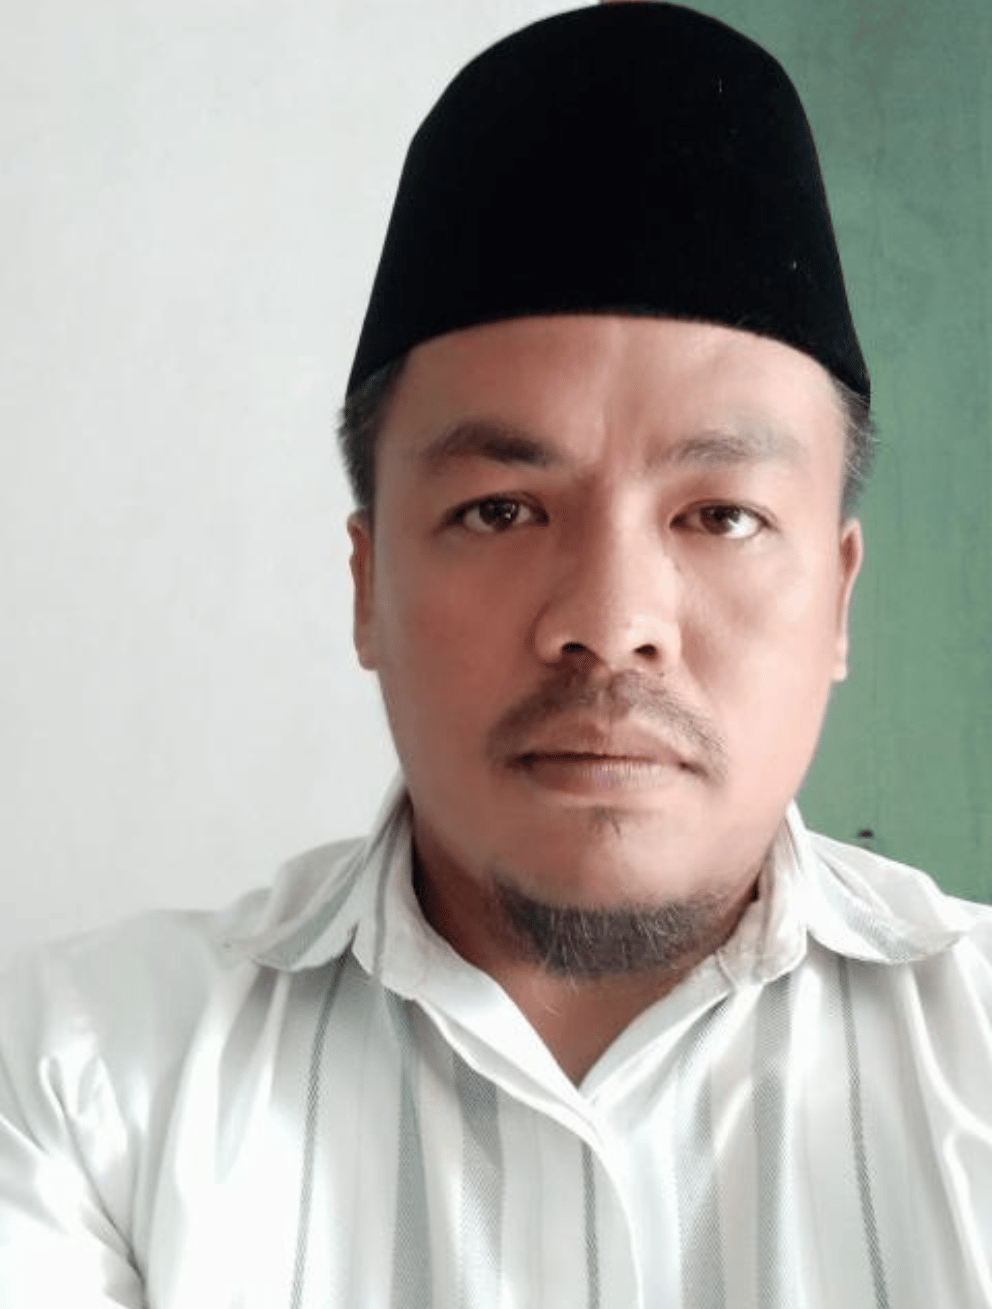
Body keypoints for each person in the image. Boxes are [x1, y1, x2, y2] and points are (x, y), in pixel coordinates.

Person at [2, 4, 991, 1306]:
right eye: (501, 510)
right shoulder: (78, 1082)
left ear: (840, 599)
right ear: (368, 583)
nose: (612, 620)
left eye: (721, 516)